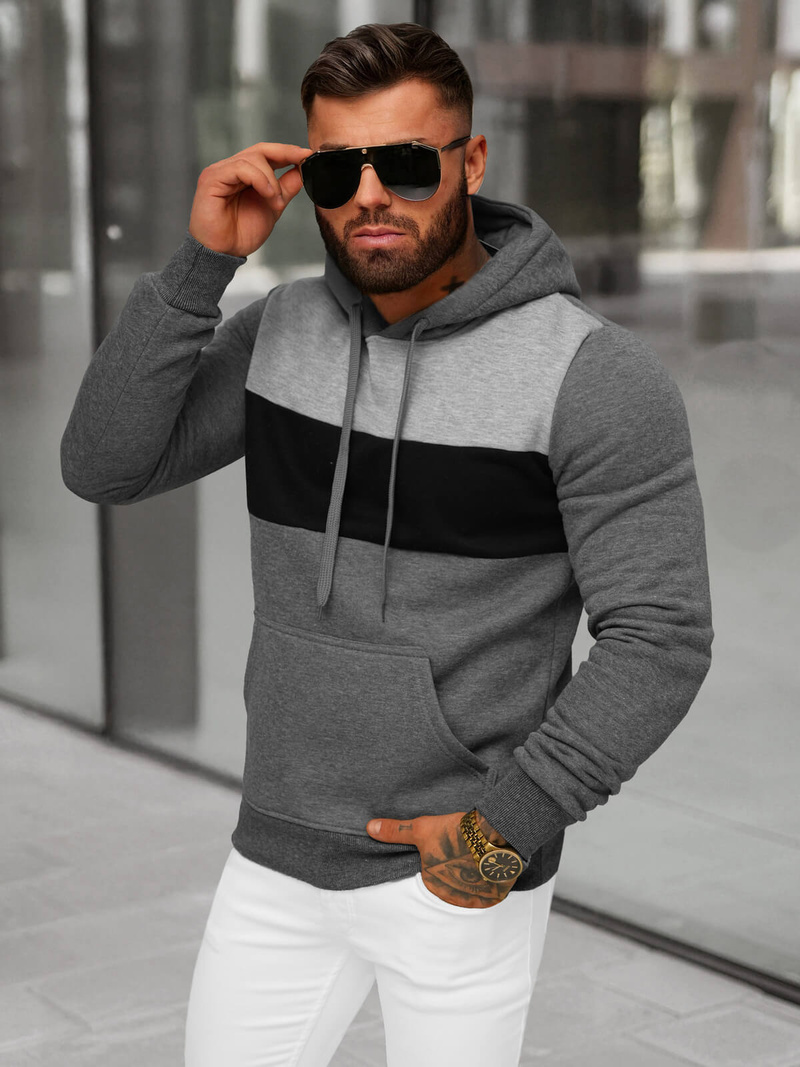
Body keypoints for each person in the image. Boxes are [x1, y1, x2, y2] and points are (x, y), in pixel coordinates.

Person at [61, 21, 713, 1067]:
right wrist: (201, 266)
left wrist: (507, 829)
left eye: (405, 164)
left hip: (457, 872)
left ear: (471, 159)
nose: (369, 196)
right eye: (336, 170)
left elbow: (661, 637)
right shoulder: (278, 330)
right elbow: (104, 464)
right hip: (273, 853)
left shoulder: (592, 375)